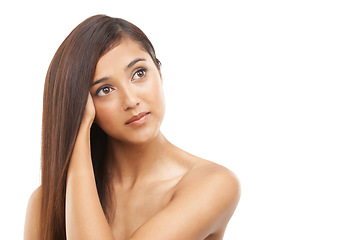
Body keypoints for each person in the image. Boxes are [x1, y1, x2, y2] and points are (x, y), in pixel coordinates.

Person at [24, 14, 240, 240]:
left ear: (159, 72)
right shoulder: (45, 204)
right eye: (105, 90)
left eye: (139, 73)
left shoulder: (214, 184)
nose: (130, 100)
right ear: (86, 107)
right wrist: (77, 132)